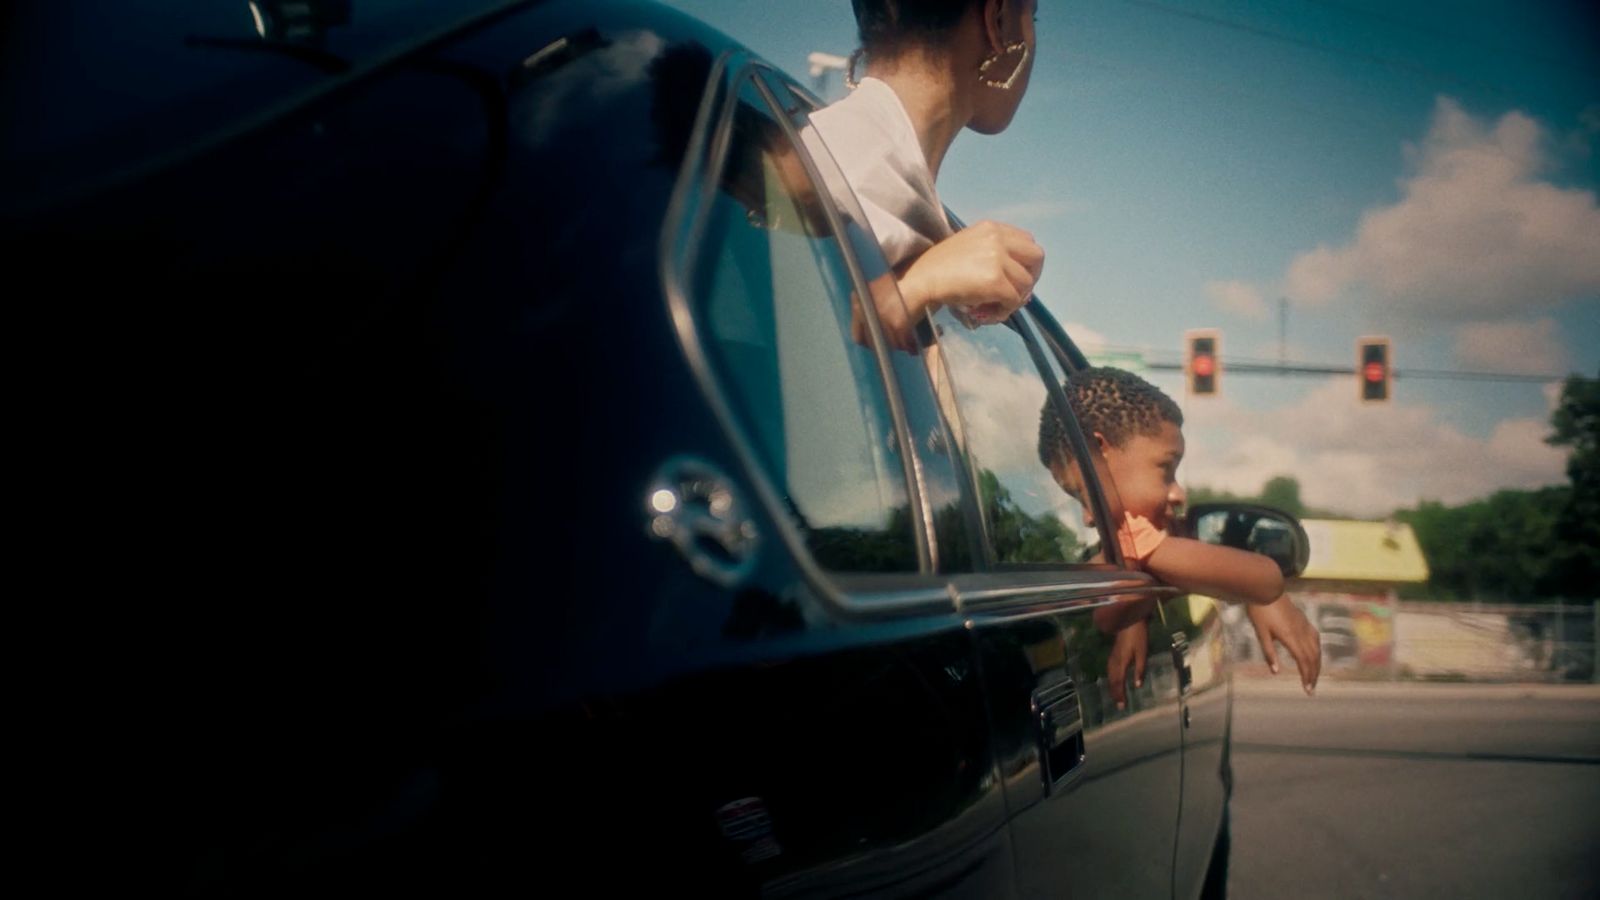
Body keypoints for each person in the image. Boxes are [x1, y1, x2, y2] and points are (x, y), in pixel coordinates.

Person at [1039, 366, 1322, 702]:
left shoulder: (1145, 541)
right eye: (1166, 469)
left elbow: (1266, 581)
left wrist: (1150, 577)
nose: (1087, 517)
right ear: (1099, 454)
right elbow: (1104, 615)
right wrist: (1150, 560)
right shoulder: (1113, 554)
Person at [804, 0, 1045, 348]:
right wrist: (920, 287)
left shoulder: (851, 157)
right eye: (1032, 16)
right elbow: (805, 352)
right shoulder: (855, 176)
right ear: (998, 19)